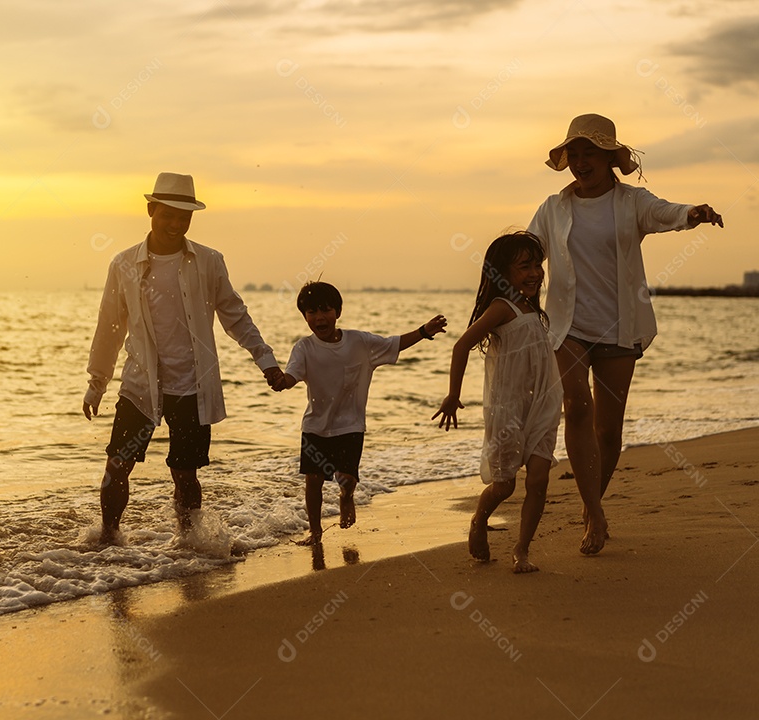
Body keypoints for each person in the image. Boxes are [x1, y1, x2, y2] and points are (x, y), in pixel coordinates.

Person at [528, 113, 723, 555]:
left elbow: (666, 212)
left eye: (588, 154)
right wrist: (502, 286)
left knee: (608, 430)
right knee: (576, 407)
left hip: (619, 326)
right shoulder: (553, 208)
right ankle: (594, 513)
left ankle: (593, 500)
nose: (579, 163)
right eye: (572, 154)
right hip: (566, 326)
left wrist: (693, 214)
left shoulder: (632, 202)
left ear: (609, 157)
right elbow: (529, 251)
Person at [83, 172, 284, 544]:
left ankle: (189, 542)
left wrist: (266, 360)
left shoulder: (208, 261)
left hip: (192, 384)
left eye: (184, 217)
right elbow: (110, 325)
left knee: (185, 473)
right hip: (140, 384)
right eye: (168, 215)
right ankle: (109, 539)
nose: (176, 224)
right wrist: (97, 383)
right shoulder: (123, 264)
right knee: (117, 466)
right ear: (151, 210)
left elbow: (234, 315)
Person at [272, 281, 447, 545]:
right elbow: (291, 377)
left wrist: (423, 331)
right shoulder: (304, 348)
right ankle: (315, 532)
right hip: (315, 426)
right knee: (313, 480)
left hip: (351, 426)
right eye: (311, 312)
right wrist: (280, 381)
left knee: (348, 478)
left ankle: (346, 496)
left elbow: (394, 344)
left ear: (338, 311)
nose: (319, 317)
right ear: (304, 316)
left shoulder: (360, 342)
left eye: (325, 310)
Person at [433, 232, 562, 573]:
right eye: (525, 266)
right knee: (505, 484)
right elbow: (461, 346)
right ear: (503, 273)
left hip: (543, 405)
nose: (535, 272)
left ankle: (522, 550)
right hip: (507, 408)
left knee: (538, 478)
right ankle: (479, 519)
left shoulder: (533, 308)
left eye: (538, 265)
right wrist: (453, 395)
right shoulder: (501, 308)